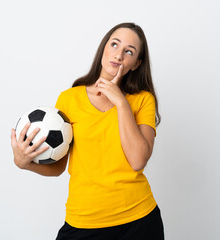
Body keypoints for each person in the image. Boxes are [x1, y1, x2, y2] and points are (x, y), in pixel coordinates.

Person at [11, 22, 164, 240]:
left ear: (136, 64)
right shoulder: (69, 99)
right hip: (83, 221)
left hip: (138, 220)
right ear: (104, 49)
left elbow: (138, 160)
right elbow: (58, 167)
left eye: (129, 51)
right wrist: (24, 163)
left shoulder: (142, 100)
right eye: (114, 44)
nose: (119, 55)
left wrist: (121, 102)